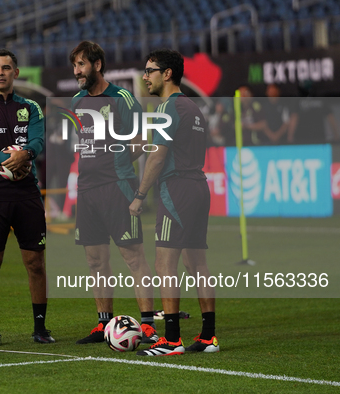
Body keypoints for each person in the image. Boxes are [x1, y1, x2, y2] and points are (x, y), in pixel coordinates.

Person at [130, 49, 219, 356]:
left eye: (149, 70)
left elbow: (158, 155)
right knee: (197, 264)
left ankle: (171, 339)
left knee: (165, 264)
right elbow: (149, 142)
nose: (145, 77)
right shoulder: (192, 107)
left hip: (176, 190)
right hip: (198, 186)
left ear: (167, 73)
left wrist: (139, 196)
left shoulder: (167, 108)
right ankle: (209, 337)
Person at [69, 41, 157, 345]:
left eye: (81, 64)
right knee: (95, 261)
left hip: (118, 187)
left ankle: (147, 325)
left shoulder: (122, 98)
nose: (77, 71)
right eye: (75, 66)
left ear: (97, 65)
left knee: (133, 257)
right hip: (87, 190)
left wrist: (118, 162)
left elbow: (142, 138)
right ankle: (103, 324)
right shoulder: (78, 101)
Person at [0, 49, 53, 346]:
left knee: (36, 263)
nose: (0, 72)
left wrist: (25, 154)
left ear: (16, 73)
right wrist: (9, 161)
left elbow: (38, 140)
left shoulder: (31, 107)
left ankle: (40, 328)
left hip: (28, 193)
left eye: (6, 67)